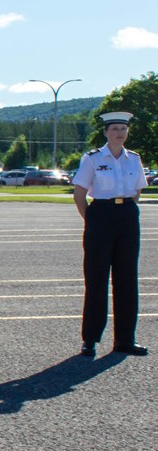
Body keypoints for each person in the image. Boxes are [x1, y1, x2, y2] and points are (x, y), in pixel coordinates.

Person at [73, 110, 147, 356]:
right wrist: (93, 221)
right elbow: (80, 194)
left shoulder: (133, 159)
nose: (119, 133)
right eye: (114, 129)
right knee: (96, 279)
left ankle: (125, 339)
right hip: (101, 216)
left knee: (127, 279)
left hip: (126, 216)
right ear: (105, 132)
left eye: (123, 129)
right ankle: (90, 339)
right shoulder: (93, 158)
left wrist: (122, 210)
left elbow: (136, 191)